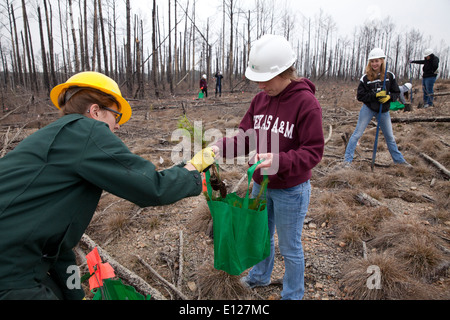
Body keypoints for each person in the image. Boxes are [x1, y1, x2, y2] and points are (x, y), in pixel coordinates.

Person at [0, 71, 215, 300]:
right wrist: (193, 168)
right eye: (116, 115)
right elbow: (151, 187)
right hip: (12, 271)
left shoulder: (53, 138)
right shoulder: (87, 130)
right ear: (95, 111)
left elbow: (61, 249)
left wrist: (75, 294)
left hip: (19, 261)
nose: (119, 125)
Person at [212, 34, 324, 300]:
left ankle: (293, 294)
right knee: (261, 236)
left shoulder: (306, 103)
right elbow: (245, 137)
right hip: (260, 185)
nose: (260, 85)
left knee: (290, 246)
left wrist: (280, 161)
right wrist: (219, 146)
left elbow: (314, 151)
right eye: (256, 79)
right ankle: (260, 276)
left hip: (291, 189)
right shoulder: (259, 101)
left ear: (284, 72)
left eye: (266, 79)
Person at [344, 48, 411, 167]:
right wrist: (375, 95)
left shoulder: (389, 76)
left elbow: (396, 92)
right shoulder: (365, 78)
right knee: (357, 134)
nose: (374, 64)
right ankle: (347, 161)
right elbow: (360, 96)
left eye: (377, 61)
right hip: (368, 109)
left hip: (383, 110)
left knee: (390, 137)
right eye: (372, 61)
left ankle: (400, 161)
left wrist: (389, 97)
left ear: (382, 61)